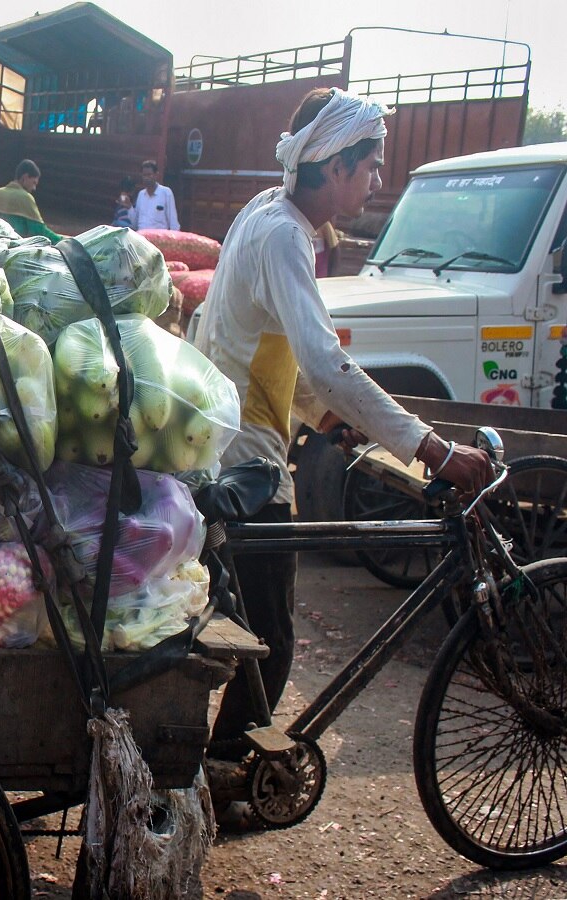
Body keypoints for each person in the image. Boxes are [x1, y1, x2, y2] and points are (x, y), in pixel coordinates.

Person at [193, 88, 492, 778]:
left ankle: (224, 763)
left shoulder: (270, 215)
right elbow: (327, 361)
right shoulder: (281, 233)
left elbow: (277, 356)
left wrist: (332, 424)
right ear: (331, 165)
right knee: (270, 640)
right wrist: (433, 448)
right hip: (244, 463)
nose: (377, 178)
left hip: (232, 443)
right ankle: (227, 773)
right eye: (372, 164)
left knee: (257, 634)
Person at [0, 159, 60, 241]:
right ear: (25, 177)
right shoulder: (26, 197)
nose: (34, 188)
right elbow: (40, 231)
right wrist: (62, 240)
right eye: (34, 183)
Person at [124, 159, 179, 232]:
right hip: (142, 238)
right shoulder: (141, 195)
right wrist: (129, 207)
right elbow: (135, 224)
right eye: (144, 175)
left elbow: (173, 223)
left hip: (159, 240)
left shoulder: (166, 193)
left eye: (149, 175)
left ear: (156, 175)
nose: (146, 178)